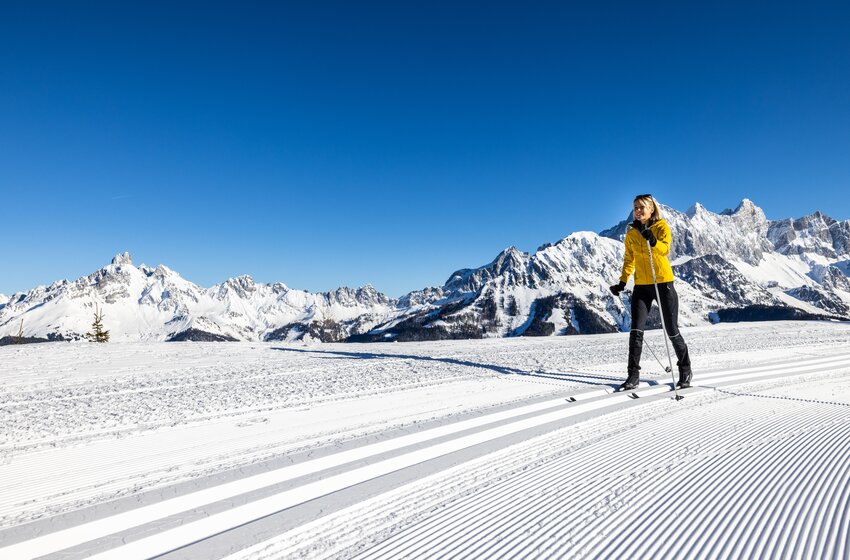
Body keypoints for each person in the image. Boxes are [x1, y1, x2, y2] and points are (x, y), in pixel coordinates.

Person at [609, 194, 692, 391]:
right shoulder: (631, 233)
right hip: (641, 285)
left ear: (651, 209)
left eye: (641, 207)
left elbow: (664, 249)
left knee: (671, 330)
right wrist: (622, 282)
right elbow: (629, 259)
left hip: (662, 282)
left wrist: (653, 240)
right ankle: (633, 376)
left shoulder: (661, 227)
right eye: (635, 207)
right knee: (636, 331)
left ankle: (685, 369)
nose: (637, 210)